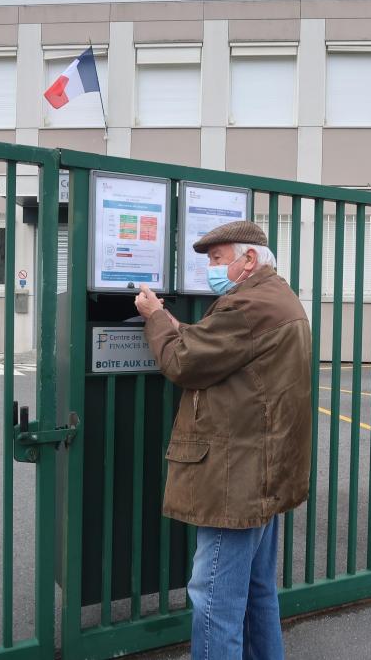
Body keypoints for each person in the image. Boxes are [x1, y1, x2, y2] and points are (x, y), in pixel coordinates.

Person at [134, 220, 312, 660]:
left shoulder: (246, 307)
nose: (211, 270)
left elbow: (183, 363)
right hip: (265, 470)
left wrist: (155, 319)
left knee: (214, 596)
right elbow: (229, 353)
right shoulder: (277, 298)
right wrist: (178, 327)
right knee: (256, 590)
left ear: (248, 259)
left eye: (217, 260)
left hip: (238, 476)